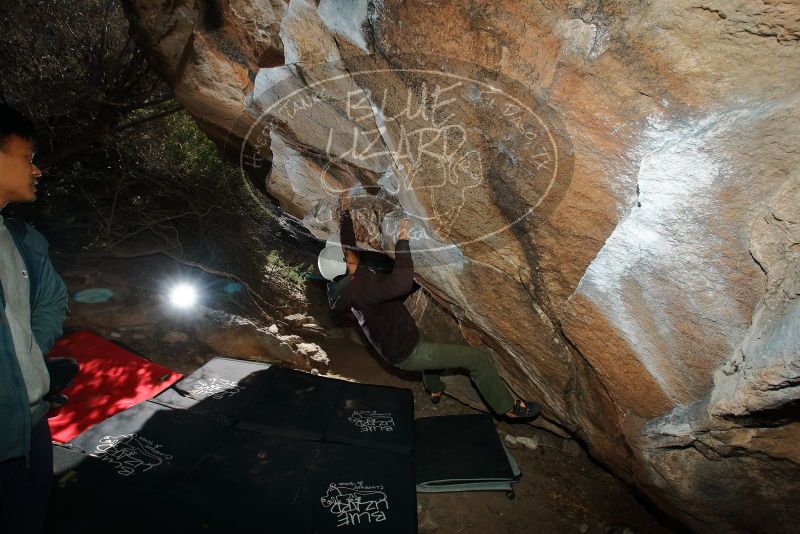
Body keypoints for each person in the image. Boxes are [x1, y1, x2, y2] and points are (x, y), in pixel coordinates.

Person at [322, 190, 541, 421]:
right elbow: (401, 283)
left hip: (400, 341)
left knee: (425, 341)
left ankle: (434, 388)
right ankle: (507, 407)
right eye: (346, 256)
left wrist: (345, 211)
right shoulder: (362, 288)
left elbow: (348, 246)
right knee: (477, 360)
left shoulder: (345, 286)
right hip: (407, 352)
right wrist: (402, 240)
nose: (350, 253)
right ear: (346, 265)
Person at [0, 103, 69, 533]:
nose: (37, 170)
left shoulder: (23, 240)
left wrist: (27, 352)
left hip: (32, 436)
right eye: (27, 157)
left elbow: (52, 301)